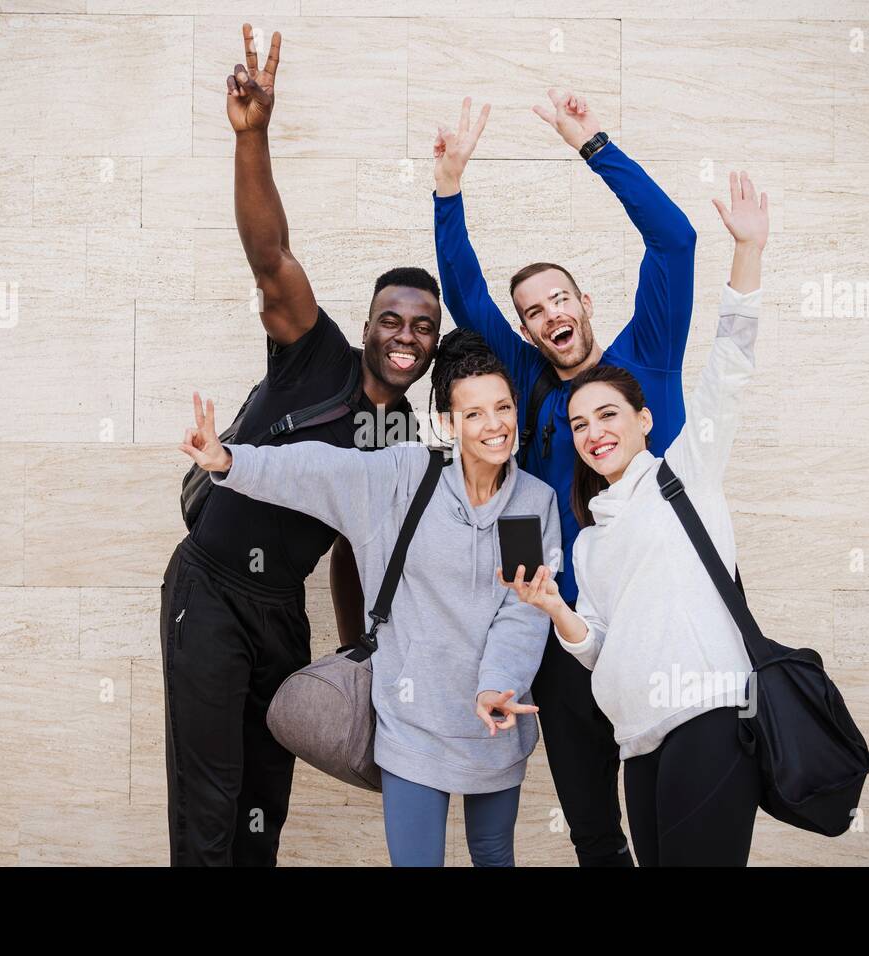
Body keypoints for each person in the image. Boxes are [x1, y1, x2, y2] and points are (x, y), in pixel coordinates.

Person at [159, 23, 441, 866]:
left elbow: (360, 547)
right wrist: (255, 137)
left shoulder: (403, 437)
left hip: (283, 610)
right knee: (208, 804)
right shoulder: (311, 346)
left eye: (422, 327)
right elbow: (268, 250)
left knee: (260, 808)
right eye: (392, 319)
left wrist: (360, 647)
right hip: (209, 590)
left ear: (432, 346)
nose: (405, 335)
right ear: (366, 327)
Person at [432, 92, 697, 866]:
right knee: (594, 834)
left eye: (560, 298)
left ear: (585, 304)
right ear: (524, 331)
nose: (550, 314)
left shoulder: (644, 359)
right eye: (533, 310)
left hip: (657, 631)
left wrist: (594, 145)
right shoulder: (526, 376)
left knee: (671, 828)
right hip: (565, 641)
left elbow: (674, 241)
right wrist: (448, 189)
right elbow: (464, 293)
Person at [179, 329, 561, 867]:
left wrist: (500, 683)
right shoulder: (405, 475)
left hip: (493, 722)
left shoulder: (534, 501)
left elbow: (524, 612)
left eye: (503, 407)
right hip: (411, 724)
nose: (494, 425)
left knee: (494, 854)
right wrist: (231, 462)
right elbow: (317, 470)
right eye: (473, 414)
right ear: (449, 425)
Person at [500, 170, 769, 866]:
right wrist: (556, 610)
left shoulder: (688, 471)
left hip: (706, 716)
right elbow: (594, 647)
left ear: (645, 419)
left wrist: (748, 253)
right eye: (580, 422)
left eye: (609, 415)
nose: (594, 431)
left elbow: (731, 360)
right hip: (639, 738)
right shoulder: (588, 542)